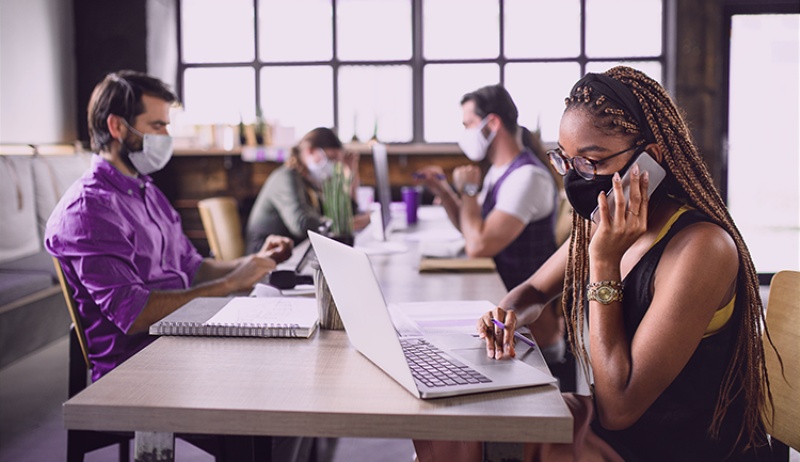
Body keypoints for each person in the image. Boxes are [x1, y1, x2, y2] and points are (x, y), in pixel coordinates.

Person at [415, 67, 776, 461]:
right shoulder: (604, 223)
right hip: (619, 432)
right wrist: (507, 316)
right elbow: (534, 289)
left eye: (591, 161)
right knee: (449, 421)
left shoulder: (702, 248)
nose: (576, 178)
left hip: (676, 448)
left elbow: (619, 407)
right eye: (566, 161)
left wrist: (604, 262)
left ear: (649, 160)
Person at [45, 70, 317, 461]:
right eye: (156, 125)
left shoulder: (145, 190)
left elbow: (193, 268)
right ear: (116, 126)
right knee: (277, 421)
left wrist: (251, 263)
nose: (165, 136)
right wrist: (231, 284)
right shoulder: (88, 211)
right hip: (139, 370)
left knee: (296, 382)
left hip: (183, 340)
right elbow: (136, 315)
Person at [415, 84, 559, 292]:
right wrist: (444, 192)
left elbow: (477, 246)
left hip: (522, 304)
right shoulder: (498, 170)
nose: (466, 133)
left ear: (492, 123)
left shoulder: (527, 177)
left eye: (469, 125)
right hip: (498, 290)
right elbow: (472, 229)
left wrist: (469, 190)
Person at [245, 127, 370, 252]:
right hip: (267, 256)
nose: (335, 165)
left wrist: (350, 172)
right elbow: (302, 224)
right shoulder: (286, 177)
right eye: (332, 158)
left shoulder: (309, 180)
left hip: (294, 252)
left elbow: (343, 212)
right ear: (311, 151)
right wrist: (345, 225)